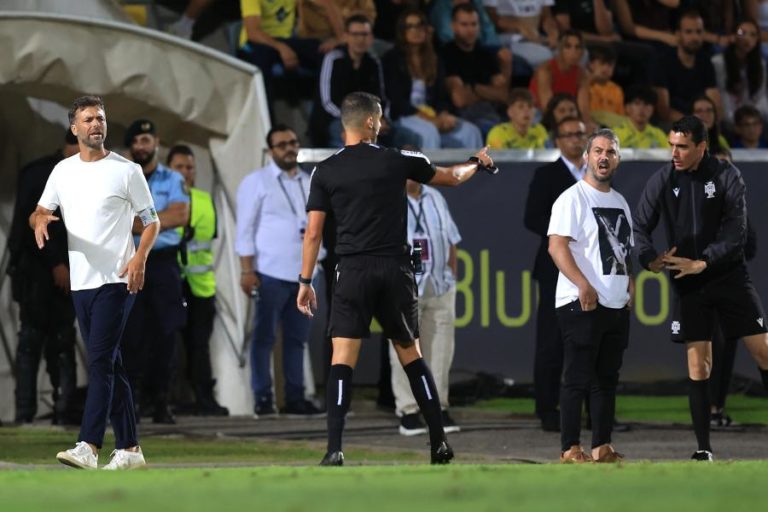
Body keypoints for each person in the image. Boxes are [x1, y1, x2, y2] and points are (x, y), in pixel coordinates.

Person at [297, 91, 495, 466]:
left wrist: (305, 281)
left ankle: (335, 449)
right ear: (371, 122)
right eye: (381, 118)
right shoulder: (399, 159)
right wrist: (478, 162)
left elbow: (312, 233)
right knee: (412, 356)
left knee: (343, 359)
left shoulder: (324, 170)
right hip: (394, 269)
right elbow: (453, 177)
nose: (383, 123)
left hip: (352, 270)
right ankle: (438, 443)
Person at [31, 95, 158, 470]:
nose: (95, 125)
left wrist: (139, 258)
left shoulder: (126, 170)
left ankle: (89, 444)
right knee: (110, 363)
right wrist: (38, 220)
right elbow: (41, 211)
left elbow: (151, 222)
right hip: (81, 282)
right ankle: (131, 449)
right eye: (87, 120)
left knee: (99, 360)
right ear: (74, 127)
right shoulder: (63, 171)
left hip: (117, 280)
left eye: (100, 118)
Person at [633, 115, 768, 461]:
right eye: (671, 145)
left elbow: (736, 232)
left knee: (763, 351)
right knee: (698, 366)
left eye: (682, 146)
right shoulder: (663, 179)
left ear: (702, 147)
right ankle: (703, 448)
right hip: (687, 280)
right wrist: (648, 258)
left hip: (728, 276)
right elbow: (639, 226)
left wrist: (704, 261)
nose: (674, 153)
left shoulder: (727, 176)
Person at [547, 128, 633, 464]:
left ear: (617, 159)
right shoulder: (573, 198)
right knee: (578, 378)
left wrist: (630, 284)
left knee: (607, 379)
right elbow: (556, 246)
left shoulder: (621, 201)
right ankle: (570, 448)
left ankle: (601, 445)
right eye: (597, 151)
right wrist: (583, 284)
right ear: (586, 156)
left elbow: (623, 250)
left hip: (614, 304)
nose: (603, 157)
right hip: (579, 302)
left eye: (610, 152)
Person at [235, 124, 324, 418]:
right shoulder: (256, 181)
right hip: (270, 272)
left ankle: (295, 399)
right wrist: (247, 271)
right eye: (282, 144)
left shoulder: (309, 180)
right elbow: (244, 229)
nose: (290, 148)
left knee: (297, 339)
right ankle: (263, 398)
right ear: (270, 150)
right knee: (263, 338)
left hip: (305, 275)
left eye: (293, 142)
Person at [8, 130, 79, 425]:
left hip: (64, 272)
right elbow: (34, 223)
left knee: (61, 343)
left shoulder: (79, 175)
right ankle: (26, 413)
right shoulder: (44, 173)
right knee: (33, 343)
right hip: (37, 274)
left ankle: (66, 411)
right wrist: (56, 264)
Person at [122, 119, 190, 425]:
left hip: (163, 263)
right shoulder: (124, 178)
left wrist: (144, 221)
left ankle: (162, 400)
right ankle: (133, 400)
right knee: (132, 334)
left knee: (166, 333)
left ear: (156, 142)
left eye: (146, 140)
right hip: (133, 260)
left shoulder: (172, 178)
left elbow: (180, 215)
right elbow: (121, 221)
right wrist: (157, 221)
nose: (141, 146)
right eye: (136, 141)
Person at [523, 115, 587, 432]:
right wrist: (565, 233)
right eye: (570, 134)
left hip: (592, 269)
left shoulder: (597, 173)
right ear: (557, 140)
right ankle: (547, 409)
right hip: (554, 268)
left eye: (580, 133)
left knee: (591, 338)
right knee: (551, 340)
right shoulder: (546, 174)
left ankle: (595, 410)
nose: (577, 139)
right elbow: (532, 218)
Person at [390, 177, 462, 436]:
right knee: (405, 348)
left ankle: (439, 406)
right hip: (405, 287)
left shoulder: (435, 197)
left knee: (442, 350)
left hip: (439, 286)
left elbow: (451, 239)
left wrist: (451, 276)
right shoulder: (389, 198)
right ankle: (408, 411)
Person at [167, 145, 228, 416]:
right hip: (169, 283)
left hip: (201, 287)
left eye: (189, 167)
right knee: (166, 345)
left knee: (199, 345)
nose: (185, 172)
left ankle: (203, 398)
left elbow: (206, 242)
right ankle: (163, 400)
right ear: (169, 170)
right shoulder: (159, 198)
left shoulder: (204, 200)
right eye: (179, 167)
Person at [382, 9, 483, 149]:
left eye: (420, 25)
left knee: (471, 132)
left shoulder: (435, 58)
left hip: (433, 114)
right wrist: (430, 119)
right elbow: (397, 100)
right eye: (410, 26)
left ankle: (471, 171)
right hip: (404, 116)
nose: (416, 30)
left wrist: (444, 115)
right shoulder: (391, 59)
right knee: (429, 132)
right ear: (402, 31)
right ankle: (431, 171)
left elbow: (441, 96)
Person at [309, 15, 388, 147]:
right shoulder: (333, 59)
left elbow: (380, 97)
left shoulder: (374, 62)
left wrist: (379, 118)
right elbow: (327, 102)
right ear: (346, 36)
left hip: (367, 121)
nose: (360, 39)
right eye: (355, 34)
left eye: (364, 34)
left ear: (371, 37)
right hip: (334, 119)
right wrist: (355, 120)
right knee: (355, 138)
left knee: (399, 135)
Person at [442, 3, 509, 136]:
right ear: (453, 26)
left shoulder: (485, 54)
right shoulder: (445, 54)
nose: (470, 30)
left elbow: (503, 95)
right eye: (464, 24)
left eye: (474, 24)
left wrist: (474, 88)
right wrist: (488, 92)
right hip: (461, 116)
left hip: (491, 112)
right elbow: (460, 99)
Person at [653, 9, 722, 123]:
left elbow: (715, 101)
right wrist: (692, 125)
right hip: (676, 124)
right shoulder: (663, 61)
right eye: (689, 32)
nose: (695, 37)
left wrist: (714, 125)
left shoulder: (705, 60)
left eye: (698, 32)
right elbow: (664, 110)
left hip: (701, 119)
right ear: (678, 34)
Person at [529, 30, 593, 128]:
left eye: (578, 47)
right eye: (568, 47)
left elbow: (583, 108)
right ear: (560, 49)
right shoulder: (546, 70)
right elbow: (548, 107)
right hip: (540, 112)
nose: (573, 52)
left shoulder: (583, 74)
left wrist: (588, 125)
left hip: (568, 111)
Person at [711, 19, 768, 126]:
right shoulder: (718, 63)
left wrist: (752, 117)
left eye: (753, 35)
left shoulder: (761, 64)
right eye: (742, 33)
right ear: (733, 37)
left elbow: (760, 95)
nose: (747, 38)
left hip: (752, 113)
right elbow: (722, 94)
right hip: (730, 114)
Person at [483, 0, 559, 69]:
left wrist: (552, 33)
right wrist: (518, 26)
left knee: (561, 54)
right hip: (507, 38)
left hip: (535, 37)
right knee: (544, 56)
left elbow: (547, 16)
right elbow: (491, 18)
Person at [613, 85, 669, 149]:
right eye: (637, 103)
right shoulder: (615, 135)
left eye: (647, 104)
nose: (642, 109)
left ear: (653, 109)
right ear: (627, 107)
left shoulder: (659, 135)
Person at [587, 44, 625, 127]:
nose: (606, 68)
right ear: (591, 64)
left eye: (610, 65)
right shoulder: (585, 85)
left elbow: (620, 117)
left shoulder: (617, 89)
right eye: (602, 63)